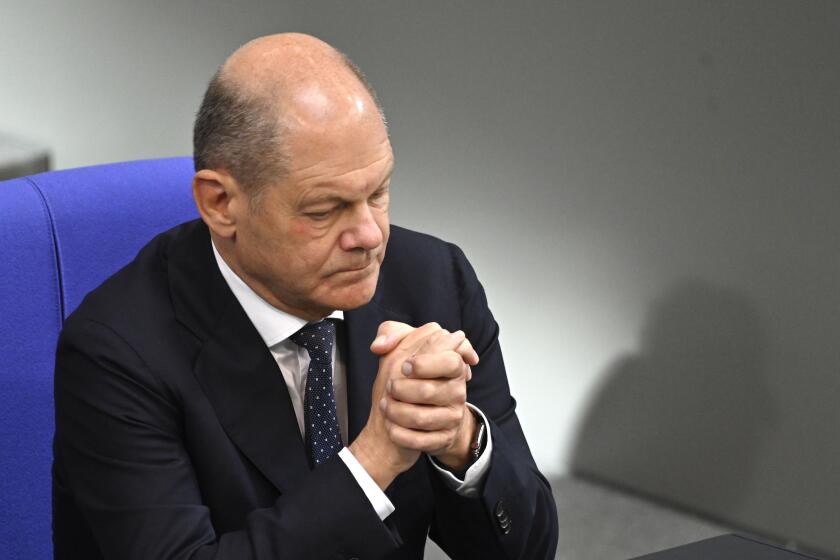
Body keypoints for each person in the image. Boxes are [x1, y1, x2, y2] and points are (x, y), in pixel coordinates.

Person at [52, 33, 558, 559]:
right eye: (324, 210)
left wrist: (460, 441)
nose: (369, 236)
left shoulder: (432, 279)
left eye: (378, 193)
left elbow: (531, 548)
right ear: (221, 202)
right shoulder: (115, 354)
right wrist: (374, 459)